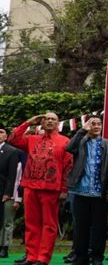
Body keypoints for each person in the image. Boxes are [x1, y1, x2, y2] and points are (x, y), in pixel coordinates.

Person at [9, 112, 72, 265]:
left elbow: (68, 166)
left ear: (58, 123)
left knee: (49, 225)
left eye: (53, 119)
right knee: (31, 223)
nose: (50, 121)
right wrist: (29, 122)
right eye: (47, 119)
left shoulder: (65, 141)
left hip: (51, 188)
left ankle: (43, 258)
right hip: (30, 186)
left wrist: (64, 189)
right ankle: (31, 256)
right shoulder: (32, 139)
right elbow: (13, 139)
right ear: (42, 123)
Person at [66, 117, 108, 265]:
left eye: (98, 124)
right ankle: (80, 256)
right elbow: (69, 148)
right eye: (92, 124)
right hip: (81, 190)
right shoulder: (81, 142)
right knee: (80, 226)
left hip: (100, 192)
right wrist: (83, 130)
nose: (96, 126)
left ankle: (97, 257)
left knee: (99, 227)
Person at [0, 126, 21, 258]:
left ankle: (5, 247)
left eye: (1, 132)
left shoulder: (11, 151)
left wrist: (8, 193)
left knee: (7, 221)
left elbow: (13, 175)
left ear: (6, 137)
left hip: (6, 192)